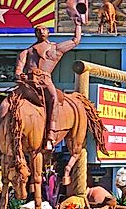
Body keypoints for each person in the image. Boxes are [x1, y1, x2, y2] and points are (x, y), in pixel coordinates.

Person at [15, 14, 83, 150]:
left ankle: (50, 135)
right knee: (7, 102)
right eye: (38, 30)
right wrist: (21, 76)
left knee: (53, 98)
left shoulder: (55, 49)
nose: (41, 32)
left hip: (45, 81)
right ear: (35, 33)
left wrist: (78, 25)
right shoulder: (26, 52)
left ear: (48, 32)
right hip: (29, 83)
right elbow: (18, 71)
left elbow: (75, 41)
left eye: (43, 30)